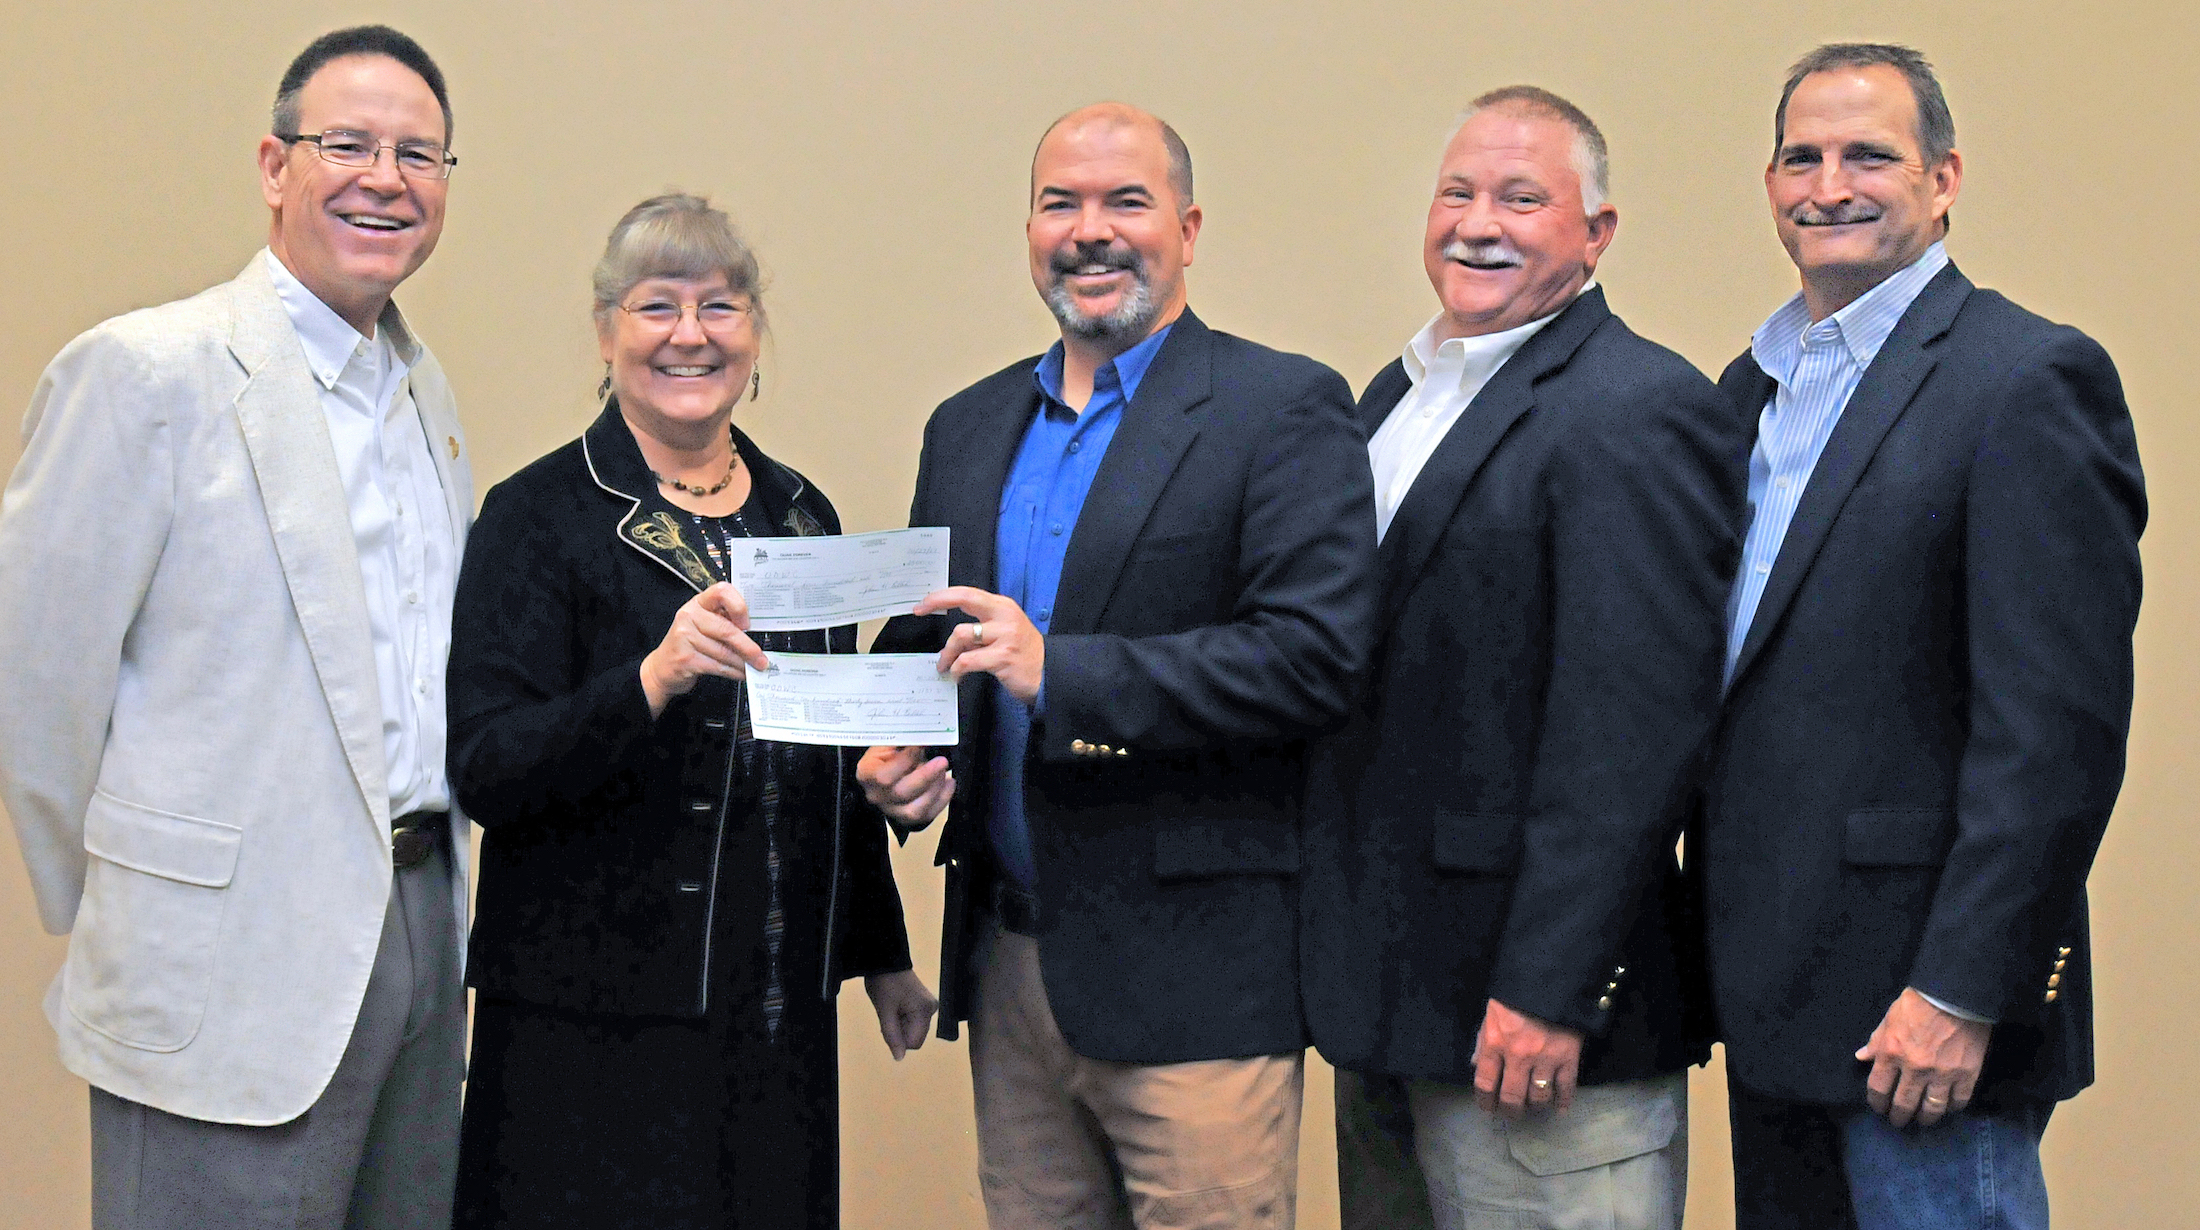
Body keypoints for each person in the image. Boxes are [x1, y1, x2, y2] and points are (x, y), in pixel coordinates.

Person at [860, 103, 1378, 1230]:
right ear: (1029, 229)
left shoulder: (1277, 407)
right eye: (1060, 203)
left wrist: (1067, 675)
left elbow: (1313, 659)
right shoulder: (967, 424)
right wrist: (894, 755)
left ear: (1187, 228)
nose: (1089, 231)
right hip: (1008, 967)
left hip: (1195, 987)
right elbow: (929, 643)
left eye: (1124, 202)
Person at [0, 25, 471, 1229]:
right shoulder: (146, 374)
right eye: (347, 144)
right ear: (274, 165)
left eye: (420, 155)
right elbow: (34, 676)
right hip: (219, 955)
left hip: (420, 929)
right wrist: (137, 897)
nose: (386, 178)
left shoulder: (425, 394)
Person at [1698, 43, 2146, 1230]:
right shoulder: (1745, 391)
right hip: (1770, 992)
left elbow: (2054, 733)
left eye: (1868, 155)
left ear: (1943, 178)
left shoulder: (2025, 379)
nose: (1827, 185)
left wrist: (1961, 987)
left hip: (1924, 1012)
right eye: (1801, 156)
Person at [1299, 87, 1747, 1230]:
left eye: (1520, 197)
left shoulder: (1638, 408)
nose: (1475, 222)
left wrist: (1551, 989)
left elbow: (1634, 729)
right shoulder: (1392, 396)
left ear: (1595, 235)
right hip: (1390, 1004)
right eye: (1456, 191)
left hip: (1538, 1025)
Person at [444, 192, 931, 1230]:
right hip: (591, 1020)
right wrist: (649, 680)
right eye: (656, 306)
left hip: (774, 1009)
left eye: (720, 305)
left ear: (754, 335)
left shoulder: (800, 513)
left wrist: (880, 946)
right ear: (606, 331)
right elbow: (487, 763)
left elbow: (824, 746)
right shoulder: (538, 517)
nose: (689, 335)